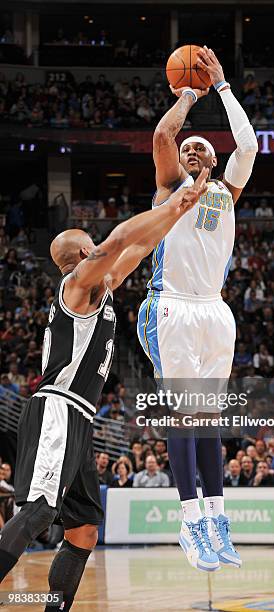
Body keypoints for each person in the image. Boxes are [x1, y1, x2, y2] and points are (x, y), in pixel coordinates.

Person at [0, 171, 209, 609]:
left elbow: (137, 247)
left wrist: (180, 211)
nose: (99, 247)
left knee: (83, 531)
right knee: (38, 512)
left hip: (80, 417)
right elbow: (116, 242)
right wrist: (173, 204)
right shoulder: (77, 285)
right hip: (57, 409)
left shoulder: (102, 288)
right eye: (91, 244)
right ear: (82, 253)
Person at [137, 46, 257, 572]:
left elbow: (248, 143)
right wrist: (189, 96)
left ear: (214, 159)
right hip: (172, 308)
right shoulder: (171, 188)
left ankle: (216, 517)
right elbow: (164, 136)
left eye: (200, 149)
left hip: (215, 312)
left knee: (210, 419)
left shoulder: (228, 193)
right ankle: (189, 520)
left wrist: (225, 89)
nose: (190, 151)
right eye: (187, 150)